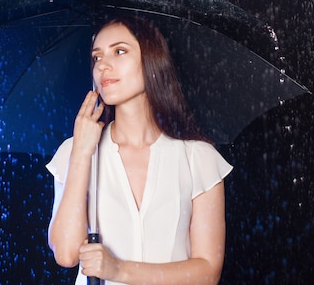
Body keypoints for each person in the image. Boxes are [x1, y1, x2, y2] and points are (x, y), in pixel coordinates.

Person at [46, 16, 232, 285]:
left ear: (152, 61)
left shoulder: (198, 158)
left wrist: (118, 269)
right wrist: (82, 153)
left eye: (119, 51)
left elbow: (207, 272)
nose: (103, 66)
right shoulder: (75, 151)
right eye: (97, 57)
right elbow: (65, 253)